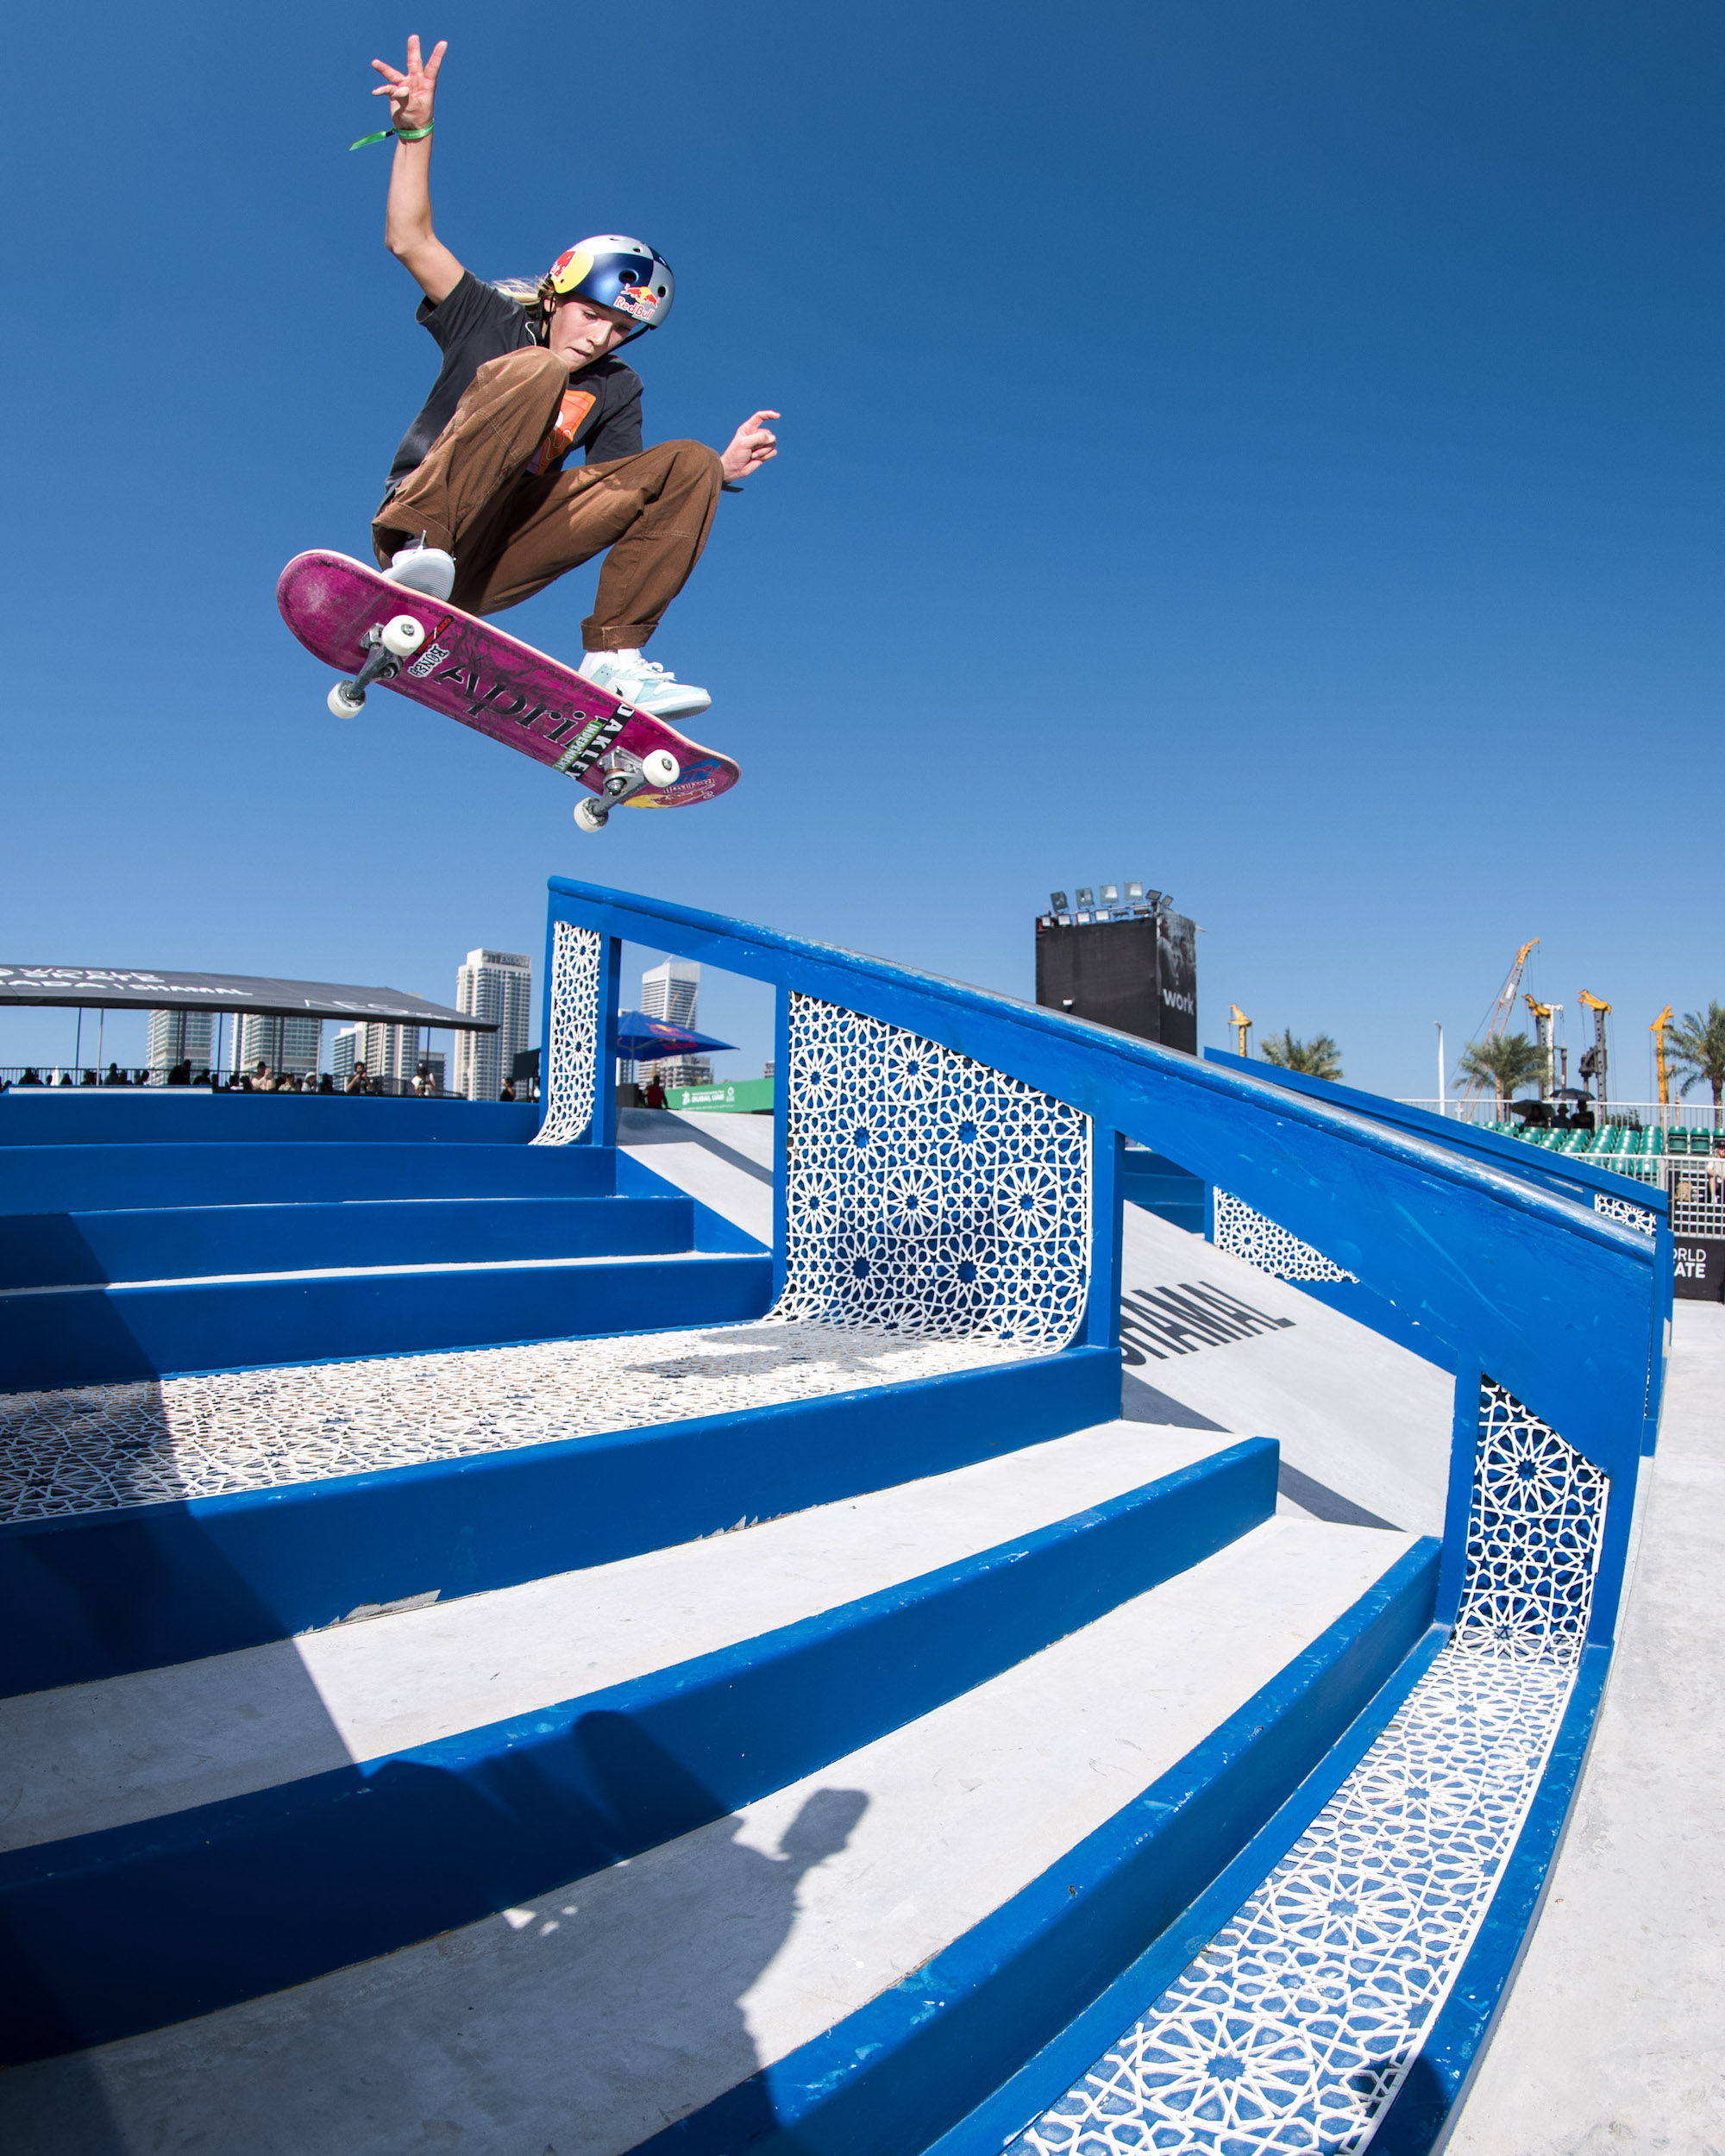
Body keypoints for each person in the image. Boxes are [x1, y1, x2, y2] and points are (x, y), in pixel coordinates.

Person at [362, 37, 778, 718]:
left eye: (619, 329)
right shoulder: (486, 319)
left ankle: (616, 658)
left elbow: (617, 495)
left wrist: (717, 472)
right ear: (555, 295)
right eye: (590, 315)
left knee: (687, 461)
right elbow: (410, 239)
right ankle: (419, 546)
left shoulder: (618, 387)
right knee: (536, 372)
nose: (598, 338)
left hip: (500, 557)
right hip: (431, 527)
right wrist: (415, 133)